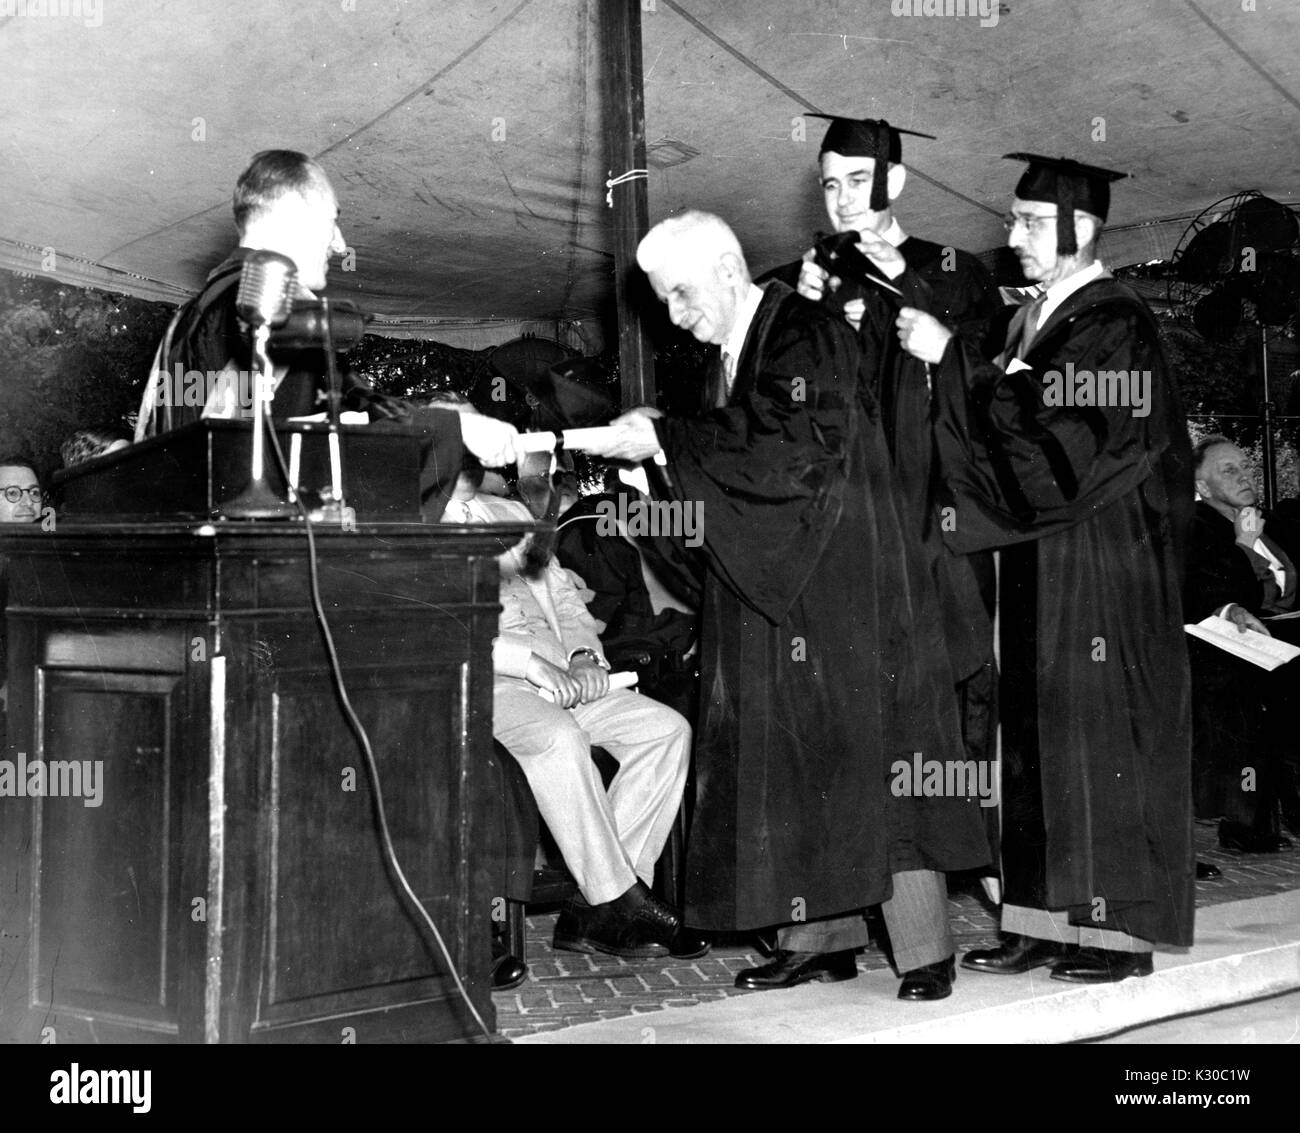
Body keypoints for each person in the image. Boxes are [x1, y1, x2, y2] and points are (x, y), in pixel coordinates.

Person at [584, 211, 991, 1001]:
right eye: (664, 300)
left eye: (681, 293)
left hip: (847, 593)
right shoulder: (729, 357)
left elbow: (788, 450)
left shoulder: (805, 333)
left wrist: (669, 439)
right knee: (793, 765)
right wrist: (654, 483)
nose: (675, 315)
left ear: (730, 270)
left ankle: (924, 949)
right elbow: (722, 473)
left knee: (878, 760)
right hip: (776, 593)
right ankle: (819, 940)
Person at [895, 154, 1195, 983]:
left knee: (1093, 739)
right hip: (1039, 556)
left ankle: (1109, 935)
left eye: (1029, 223)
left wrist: (956, 357)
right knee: (1029, 740)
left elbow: (1076, 441)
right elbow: (1007, 424)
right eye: (1013, 221)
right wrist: (988, 372)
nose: (1012, 237)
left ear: (1082, 229)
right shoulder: (1034, 320)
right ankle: (1036, 917)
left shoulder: (1115, 320)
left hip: (1101, 565)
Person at [762, 114, 1005, 961]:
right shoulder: (807, 276)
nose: (838, 200)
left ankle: (924, 944)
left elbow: (1002, 403)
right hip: (831, 543)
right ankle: (820, 930)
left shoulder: (956, 275)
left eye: (854, 181)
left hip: (927, 538)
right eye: (826, 184)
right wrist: (804, 318)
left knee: (912, 735)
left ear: (894, 184)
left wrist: (929, 333)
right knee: (820, 724)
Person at [133, 150, 517, 515]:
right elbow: (343, 430)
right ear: (293, 213)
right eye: (332, 219)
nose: (340, 243)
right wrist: (456, 427)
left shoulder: (190, 317)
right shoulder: (278, 309)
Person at [443, 464, 703, 963]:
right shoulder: (409, 524)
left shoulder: (511, 512)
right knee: (560, 738)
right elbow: (442, 623)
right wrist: (529, 663)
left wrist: (585, 656)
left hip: (562, 673)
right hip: (485, 682)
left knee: (667, 730)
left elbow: (564, 599)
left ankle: (594, 907)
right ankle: (620, 899)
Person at [1185, 436, 1300, 850]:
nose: (1244, 476)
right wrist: (1246, 545)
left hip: (1284, 637)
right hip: (1229, 644)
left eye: (1246, 467)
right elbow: (1222, 596)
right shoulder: (1197, 528)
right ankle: (1247, 820)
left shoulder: (1271, 523)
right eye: (1228, 470)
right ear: (1203, 485)